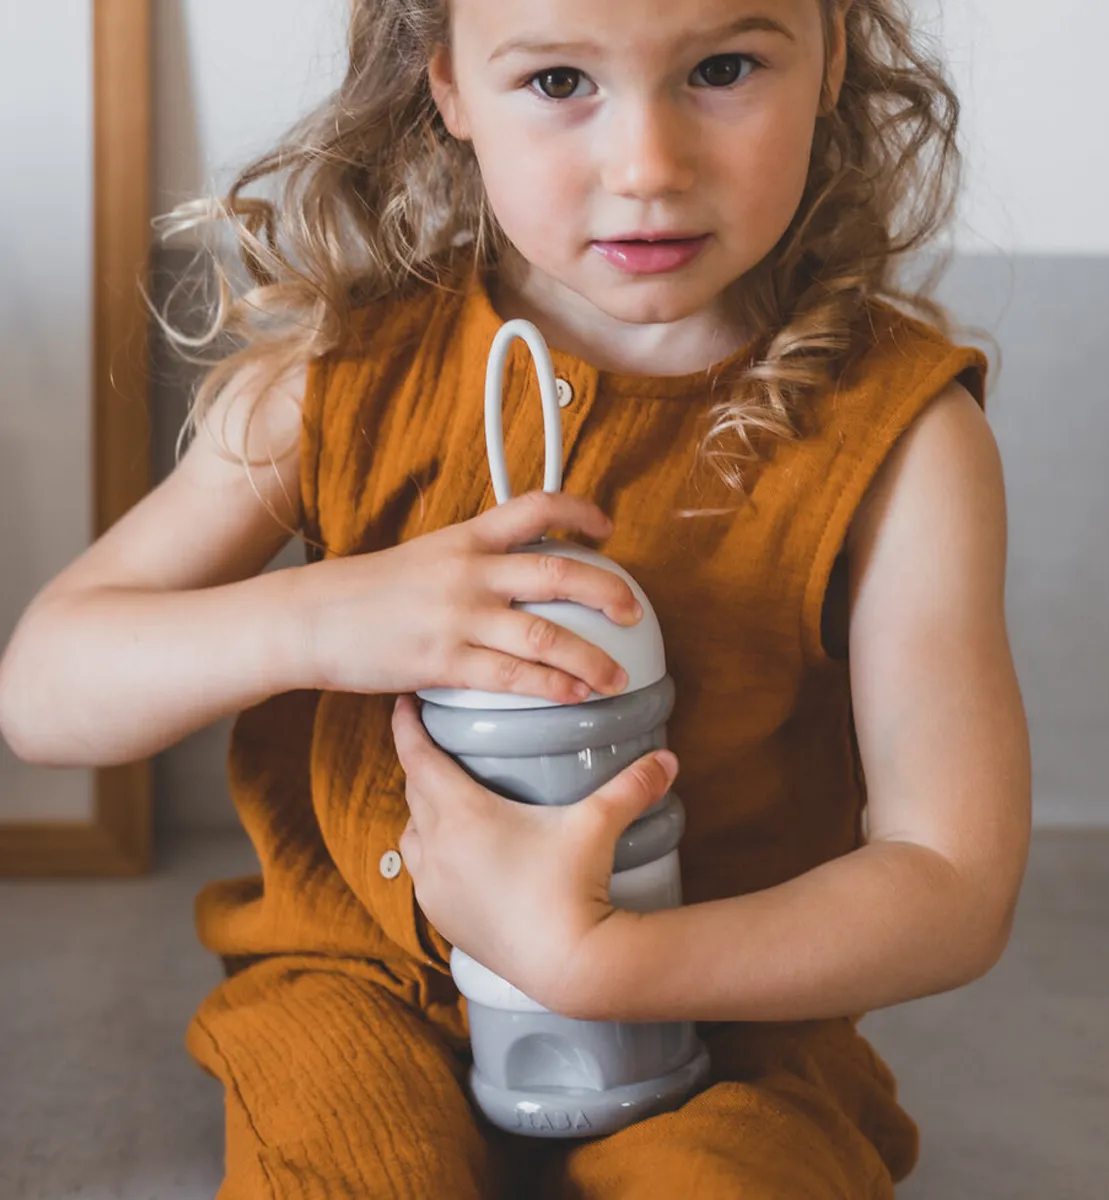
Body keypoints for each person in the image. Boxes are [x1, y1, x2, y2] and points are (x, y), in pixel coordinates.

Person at [0, 0, 1031, 1195]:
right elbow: (43, 693)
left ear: (832, 56)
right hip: (357, 994)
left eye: (723, 67)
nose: (647, 167)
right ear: (447, 85)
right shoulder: (338, 374)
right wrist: (320, 617)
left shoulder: (905, 440)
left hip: (730, 1032)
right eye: (557, 83)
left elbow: (953, 884)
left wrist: (607, 966)